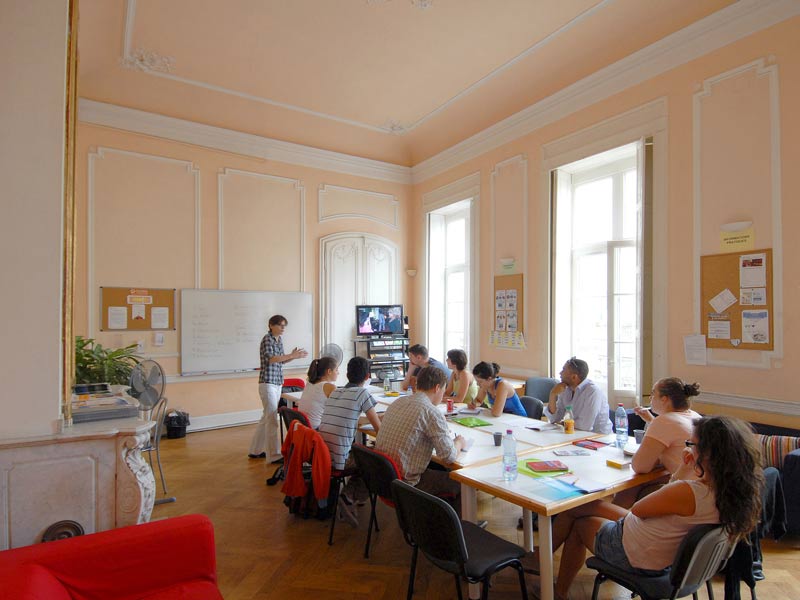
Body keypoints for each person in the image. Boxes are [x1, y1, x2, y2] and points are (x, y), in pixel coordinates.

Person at [540, 415, 764, 600]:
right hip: (667, 553)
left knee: (580, 522)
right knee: (583, 505)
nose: (688, 448)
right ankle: (545, 565)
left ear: (707, 454)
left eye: (691, 444)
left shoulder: (688, 491)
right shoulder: (734, 492)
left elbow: (639, 510)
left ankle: (554, 584)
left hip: (637, 553)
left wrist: (683, 470)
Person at [376, 366, 465, 512]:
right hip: (406, 484)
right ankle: (455, 530)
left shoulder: (399, 402)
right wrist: (459, 443)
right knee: (460, 483)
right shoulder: (431, 412)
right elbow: (448, 457)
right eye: (443, 391)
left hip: (383, 479)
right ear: (437, 388)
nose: (443, 395)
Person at [611, 377, 703, 507]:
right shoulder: (694, 416)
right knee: (633, 487)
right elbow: (673, 435)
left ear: (664, 399)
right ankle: (620, 521)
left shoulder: (665, 421)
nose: (650, 398)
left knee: (631, 485)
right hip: (701, 488)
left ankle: (618, 523)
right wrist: (651, 420)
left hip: (687, 494)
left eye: (653, 393)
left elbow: (639, 466)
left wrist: (655, 423)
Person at [248, 315, 308, 461]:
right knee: (272, 418)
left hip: (277, 382)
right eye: (280, 325)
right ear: (271, 325)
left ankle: (255, 450)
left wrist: (295, 357)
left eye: (284, 326)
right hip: (267, 383)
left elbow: (280, 362)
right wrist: (291, 354)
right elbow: (272, 359)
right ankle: (273, 455)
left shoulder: (279, 340)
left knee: (266, 417)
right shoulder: (267, 339)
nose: (283, 329)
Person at [318, 356, 382, 470]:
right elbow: (379, 430)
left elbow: (347, 418)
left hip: (322, 455)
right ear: (367, 377)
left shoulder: (335, 392)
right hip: (342, 460)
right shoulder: (362, 393)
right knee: (378, 460)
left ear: (347, 375)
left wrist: (377, 417)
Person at [545, 357, 612, 434]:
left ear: (574, 377)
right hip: (575, 434)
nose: (560, 373)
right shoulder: (565, 389)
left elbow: (585, 425)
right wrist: (552, 394)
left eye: (563, 370)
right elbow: (554, 418)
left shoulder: (592, 391)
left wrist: (563, 423)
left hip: (599, 437)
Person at [296, 356, 338, 429]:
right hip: (315, 429)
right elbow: (339, 410)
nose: (338, 373)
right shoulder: (329, 387)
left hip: (303, 428)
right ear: (329, 371)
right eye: (336, 370)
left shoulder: (309, 383)